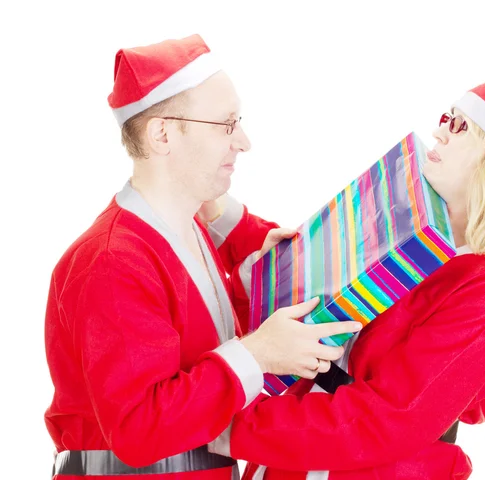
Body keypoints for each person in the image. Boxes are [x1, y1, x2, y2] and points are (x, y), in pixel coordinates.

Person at [208, 72, 485, 479]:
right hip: (295, 453)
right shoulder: (402, 228)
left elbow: (390, 416)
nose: (440, 132)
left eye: (460, 126)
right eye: (446, 118)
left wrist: (223, 425)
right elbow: (308, 302)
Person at [44, 34, 363, 480]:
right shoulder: (113, 261)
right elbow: (139, 430)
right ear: (163, 134)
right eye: (226, 124)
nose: (244, 141)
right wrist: (258, 354)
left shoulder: (187, 228)